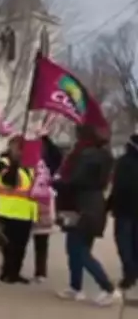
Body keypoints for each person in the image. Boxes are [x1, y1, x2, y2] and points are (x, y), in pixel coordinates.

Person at [54, 124, 119, 305]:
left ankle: (107, 287)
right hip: (95, 207)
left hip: (83, 207)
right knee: (77, 249)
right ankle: (76, 288)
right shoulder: (105, 156)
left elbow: (76, 181)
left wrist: (56, 183)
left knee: (78, 251)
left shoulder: (86, 156)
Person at [0, 136, 37, 284]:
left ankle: (16, 272)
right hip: (8, 211)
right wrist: (15, 163)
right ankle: (7, 273)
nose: (21, 152)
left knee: (21, 246)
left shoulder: (28, 166)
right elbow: (9, 181)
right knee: (9, 246)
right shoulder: (4, 162)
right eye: (18, 148)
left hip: (25, 212)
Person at [109, 134, 138, 301]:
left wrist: (111, 205)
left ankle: (130, 273)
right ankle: (132, 271)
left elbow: (119, 187)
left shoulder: (124, 163)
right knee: (134, 242)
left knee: (124, 242)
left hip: (125, 210)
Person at [32, 134, 64, 282]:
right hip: (28, 199)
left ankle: (40, 271)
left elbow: (58, 160)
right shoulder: (29, 155)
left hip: (42, 199)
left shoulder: (50, 157)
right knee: (35, 237)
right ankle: (38, 272)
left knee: (41, 237)